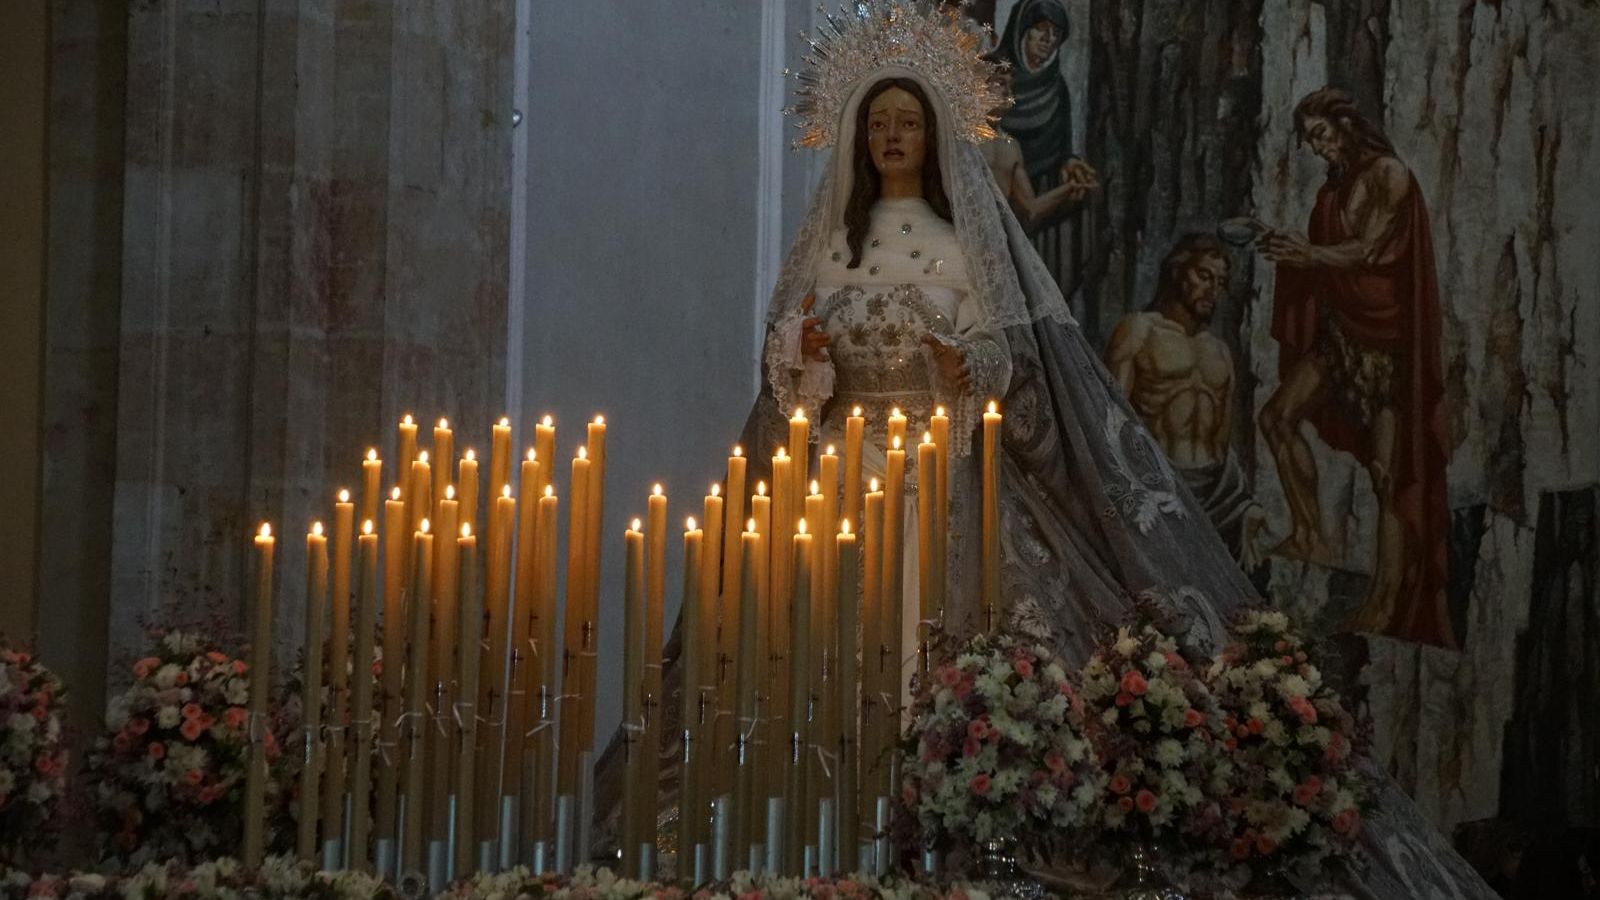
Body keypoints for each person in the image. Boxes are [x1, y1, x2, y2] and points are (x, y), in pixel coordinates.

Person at [636, 8, 1494, 896]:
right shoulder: (828, 247)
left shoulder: (964, 241)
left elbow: (1006, 357)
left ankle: (961, 837)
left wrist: (959, 365)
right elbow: (787, 367)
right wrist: (804, 364)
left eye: (908, 123)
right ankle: (809, 842)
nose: (891, 137)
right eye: (878, 123)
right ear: (855, 135)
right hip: (833, 488)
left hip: (945, 476)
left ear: (933, 138)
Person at [1257, 87, 1454, 649]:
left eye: (1321, 136)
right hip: (1342, 335)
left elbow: (1370, 252)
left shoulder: (1389, 175)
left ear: (1345, 127)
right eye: (1311, 140)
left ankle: (1387, 601)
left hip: (1389, 346)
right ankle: (1310, 534)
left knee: (1388, 476)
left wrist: (1308, 254)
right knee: (1276, 418)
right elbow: (1329, 260)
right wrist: (1290, 249)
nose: (1318, 150)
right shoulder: (1332, 189)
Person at [1104, 234, 1264, 564]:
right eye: (1203, 276)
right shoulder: (1139, 330)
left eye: (1220, 282)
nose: (1212, 289)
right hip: (1157, 488)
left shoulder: (1219, 351)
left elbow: (1223, 442)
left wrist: (1241, 502)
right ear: (1178, 273)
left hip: (1216, 498)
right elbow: (1111, 418)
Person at [984, 0, 1098, 291]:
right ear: (1022, 30)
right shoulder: (991, 72)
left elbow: (1063, 145)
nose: (1049, 40)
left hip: (1037, 188)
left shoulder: (1056, 88)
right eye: (1041, 30)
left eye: (1056, 34)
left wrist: (1069, 164)